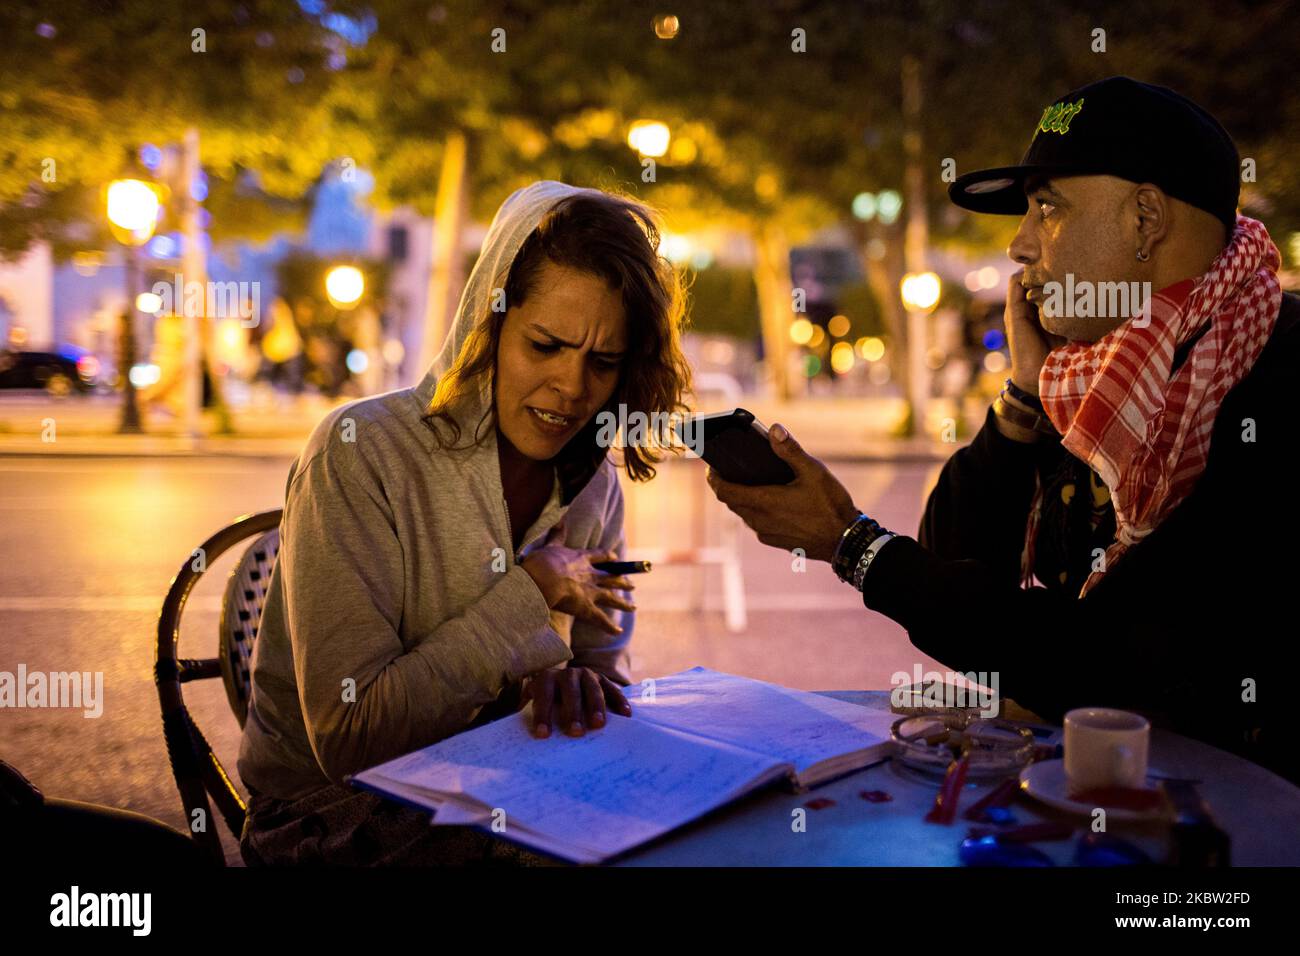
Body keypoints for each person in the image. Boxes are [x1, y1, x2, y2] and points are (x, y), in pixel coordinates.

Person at [707, 77, 1299, 785]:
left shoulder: (1278, 374)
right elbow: (958, 559)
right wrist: (1022, 397)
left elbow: (1103, 660)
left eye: (1047, 208)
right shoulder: (1095, 376)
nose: (1019, 245)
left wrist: (850, 543)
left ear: (1147, 218)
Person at [238, 181, 691, 865]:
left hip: (518, 780)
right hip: (330, 815)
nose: (572, 388)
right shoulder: (360, 451)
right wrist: (531, 596)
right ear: (489, 324)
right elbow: (349, 736)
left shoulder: (594, 483)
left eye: (602, 362)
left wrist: (579, 689)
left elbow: (603, 673)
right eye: (544, 346)